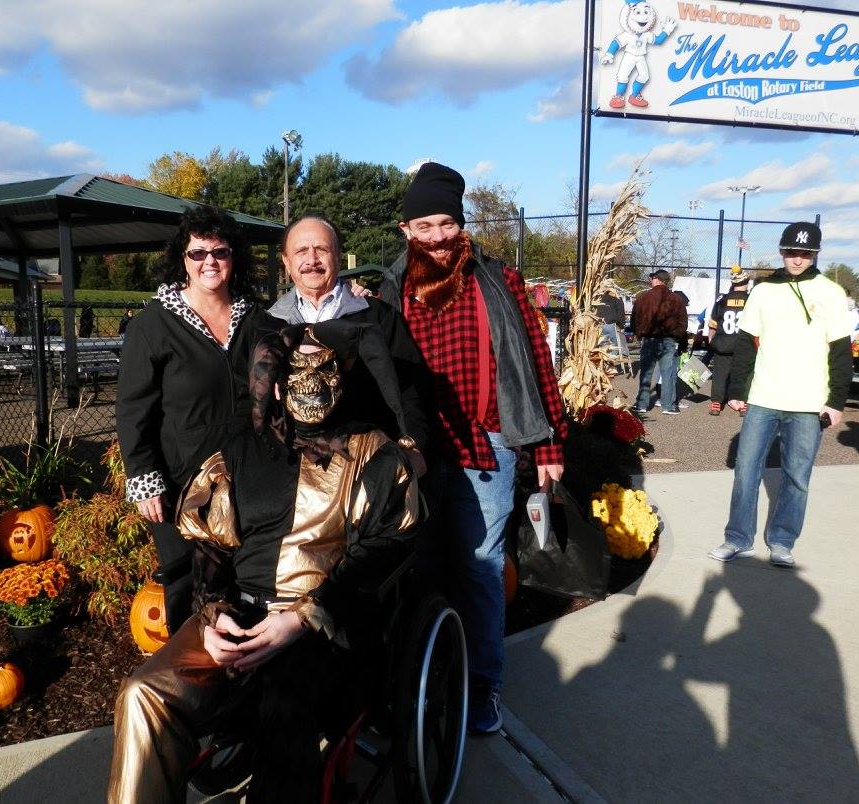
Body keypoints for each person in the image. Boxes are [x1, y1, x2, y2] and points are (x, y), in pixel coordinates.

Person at [108, 320, 420, 803]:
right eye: (297, 372)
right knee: (143, 693)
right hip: (236, 618)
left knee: (283, 703)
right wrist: (212, 614)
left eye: (324, 371)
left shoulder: (373, 456)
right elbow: (212, 546)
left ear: (343, 379)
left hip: (323, 627)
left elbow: (382, 549)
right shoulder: (240, 450)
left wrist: (303, 617)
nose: (311, 384)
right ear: (276, 383)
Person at [378, 162, 568, 734]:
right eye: (423, 226)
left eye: (445, 224)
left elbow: (536, 360)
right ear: (406, 230)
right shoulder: (393, 288)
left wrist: (550, 444)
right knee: (421, 564)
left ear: (460, 225)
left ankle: (483, 684)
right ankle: (430, 671)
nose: (436, 237)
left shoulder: (496, 279)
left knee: (481, 567)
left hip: (488, 445)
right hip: (418, 447)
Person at [116, 207, 277, 633]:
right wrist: (144, 476)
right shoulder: (154, 324)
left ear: (234, 257)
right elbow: (133, 407)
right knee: (189, 588)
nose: (210, 261)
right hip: (182, 483)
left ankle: (242, 662)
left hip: (248, 477)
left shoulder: (255, 319)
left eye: (220, 252)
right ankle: (188, 669)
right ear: (182, 259)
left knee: (245, 582)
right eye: (198, 253)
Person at [709, 222, 852, 569]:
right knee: (746, 472)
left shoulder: (831, 292)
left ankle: (782, 541)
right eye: (791, 252)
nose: (797, 259)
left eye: (805, 253)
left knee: (797, 477)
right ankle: (738, 539)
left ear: (815, 255)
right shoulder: (762, 291)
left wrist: (836, 401)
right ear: (781, 252)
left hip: (809, 403)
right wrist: (737, 390)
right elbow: (746, 344)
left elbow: (841, 352)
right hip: (763, 398)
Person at [267, 215, 429, 472]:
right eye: (301, 251)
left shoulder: (378, 316)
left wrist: (415, 446)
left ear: (338, 256)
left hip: (370, 463)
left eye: (321, 249)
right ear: (286, 262)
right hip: (294, 466)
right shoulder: (268, 325)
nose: (312, 260)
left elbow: (412, 388)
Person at [631, 269, 687, 415]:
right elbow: (683, 322)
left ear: (656, 279)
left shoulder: (644, 298)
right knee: (667, 373)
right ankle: (668, 405)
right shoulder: (676, 299)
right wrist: (677, 336)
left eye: (652, 278)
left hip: (649, 338)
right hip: (668, 339)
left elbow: (634, 319)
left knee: (646, 372)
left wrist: (639, 333)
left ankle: (642, 404)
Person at [707, 266, 752, 416]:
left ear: (733, 283)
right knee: (745, 374)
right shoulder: (751, 300)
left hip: (723, 343)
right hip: (744, 345)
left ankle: (716, 403)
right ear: (747, 282)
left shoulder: (722, 299)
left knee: (720, 374)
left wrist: (711, 338)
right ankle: (743, 403)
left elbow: (713, 322)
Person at [594, 282, 626, 353]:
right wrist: (622, 326)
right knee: (614, 347)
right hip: (612, 325)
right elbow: (620, 314)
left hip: (600, 325)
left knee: (603, 348)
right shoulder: (617, 300)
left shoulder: (599, 299)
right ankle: (613, 358)